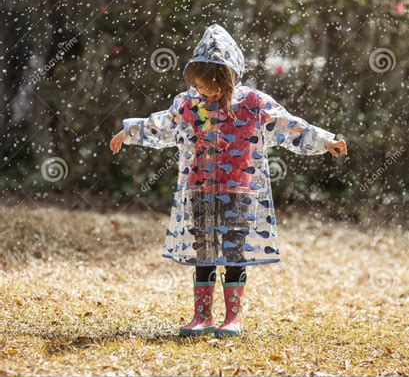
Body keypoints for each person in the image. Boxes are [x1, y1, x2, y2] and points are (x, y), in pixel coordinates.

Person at [109, 24, 347, 338]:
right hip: (200, 190)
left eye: (214, 87)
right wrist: (129, 132)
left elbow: (289, 124)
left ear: (230, 78)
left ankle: (232, 317)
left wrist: (324, 139)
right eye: (201, 86)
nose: (208, 93)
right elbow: (162, 125)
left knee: (234, 253)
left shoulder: (253, 104)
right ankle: (201, 315)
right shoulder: (189, 104)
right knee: (203, 253)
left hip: (240, 192)